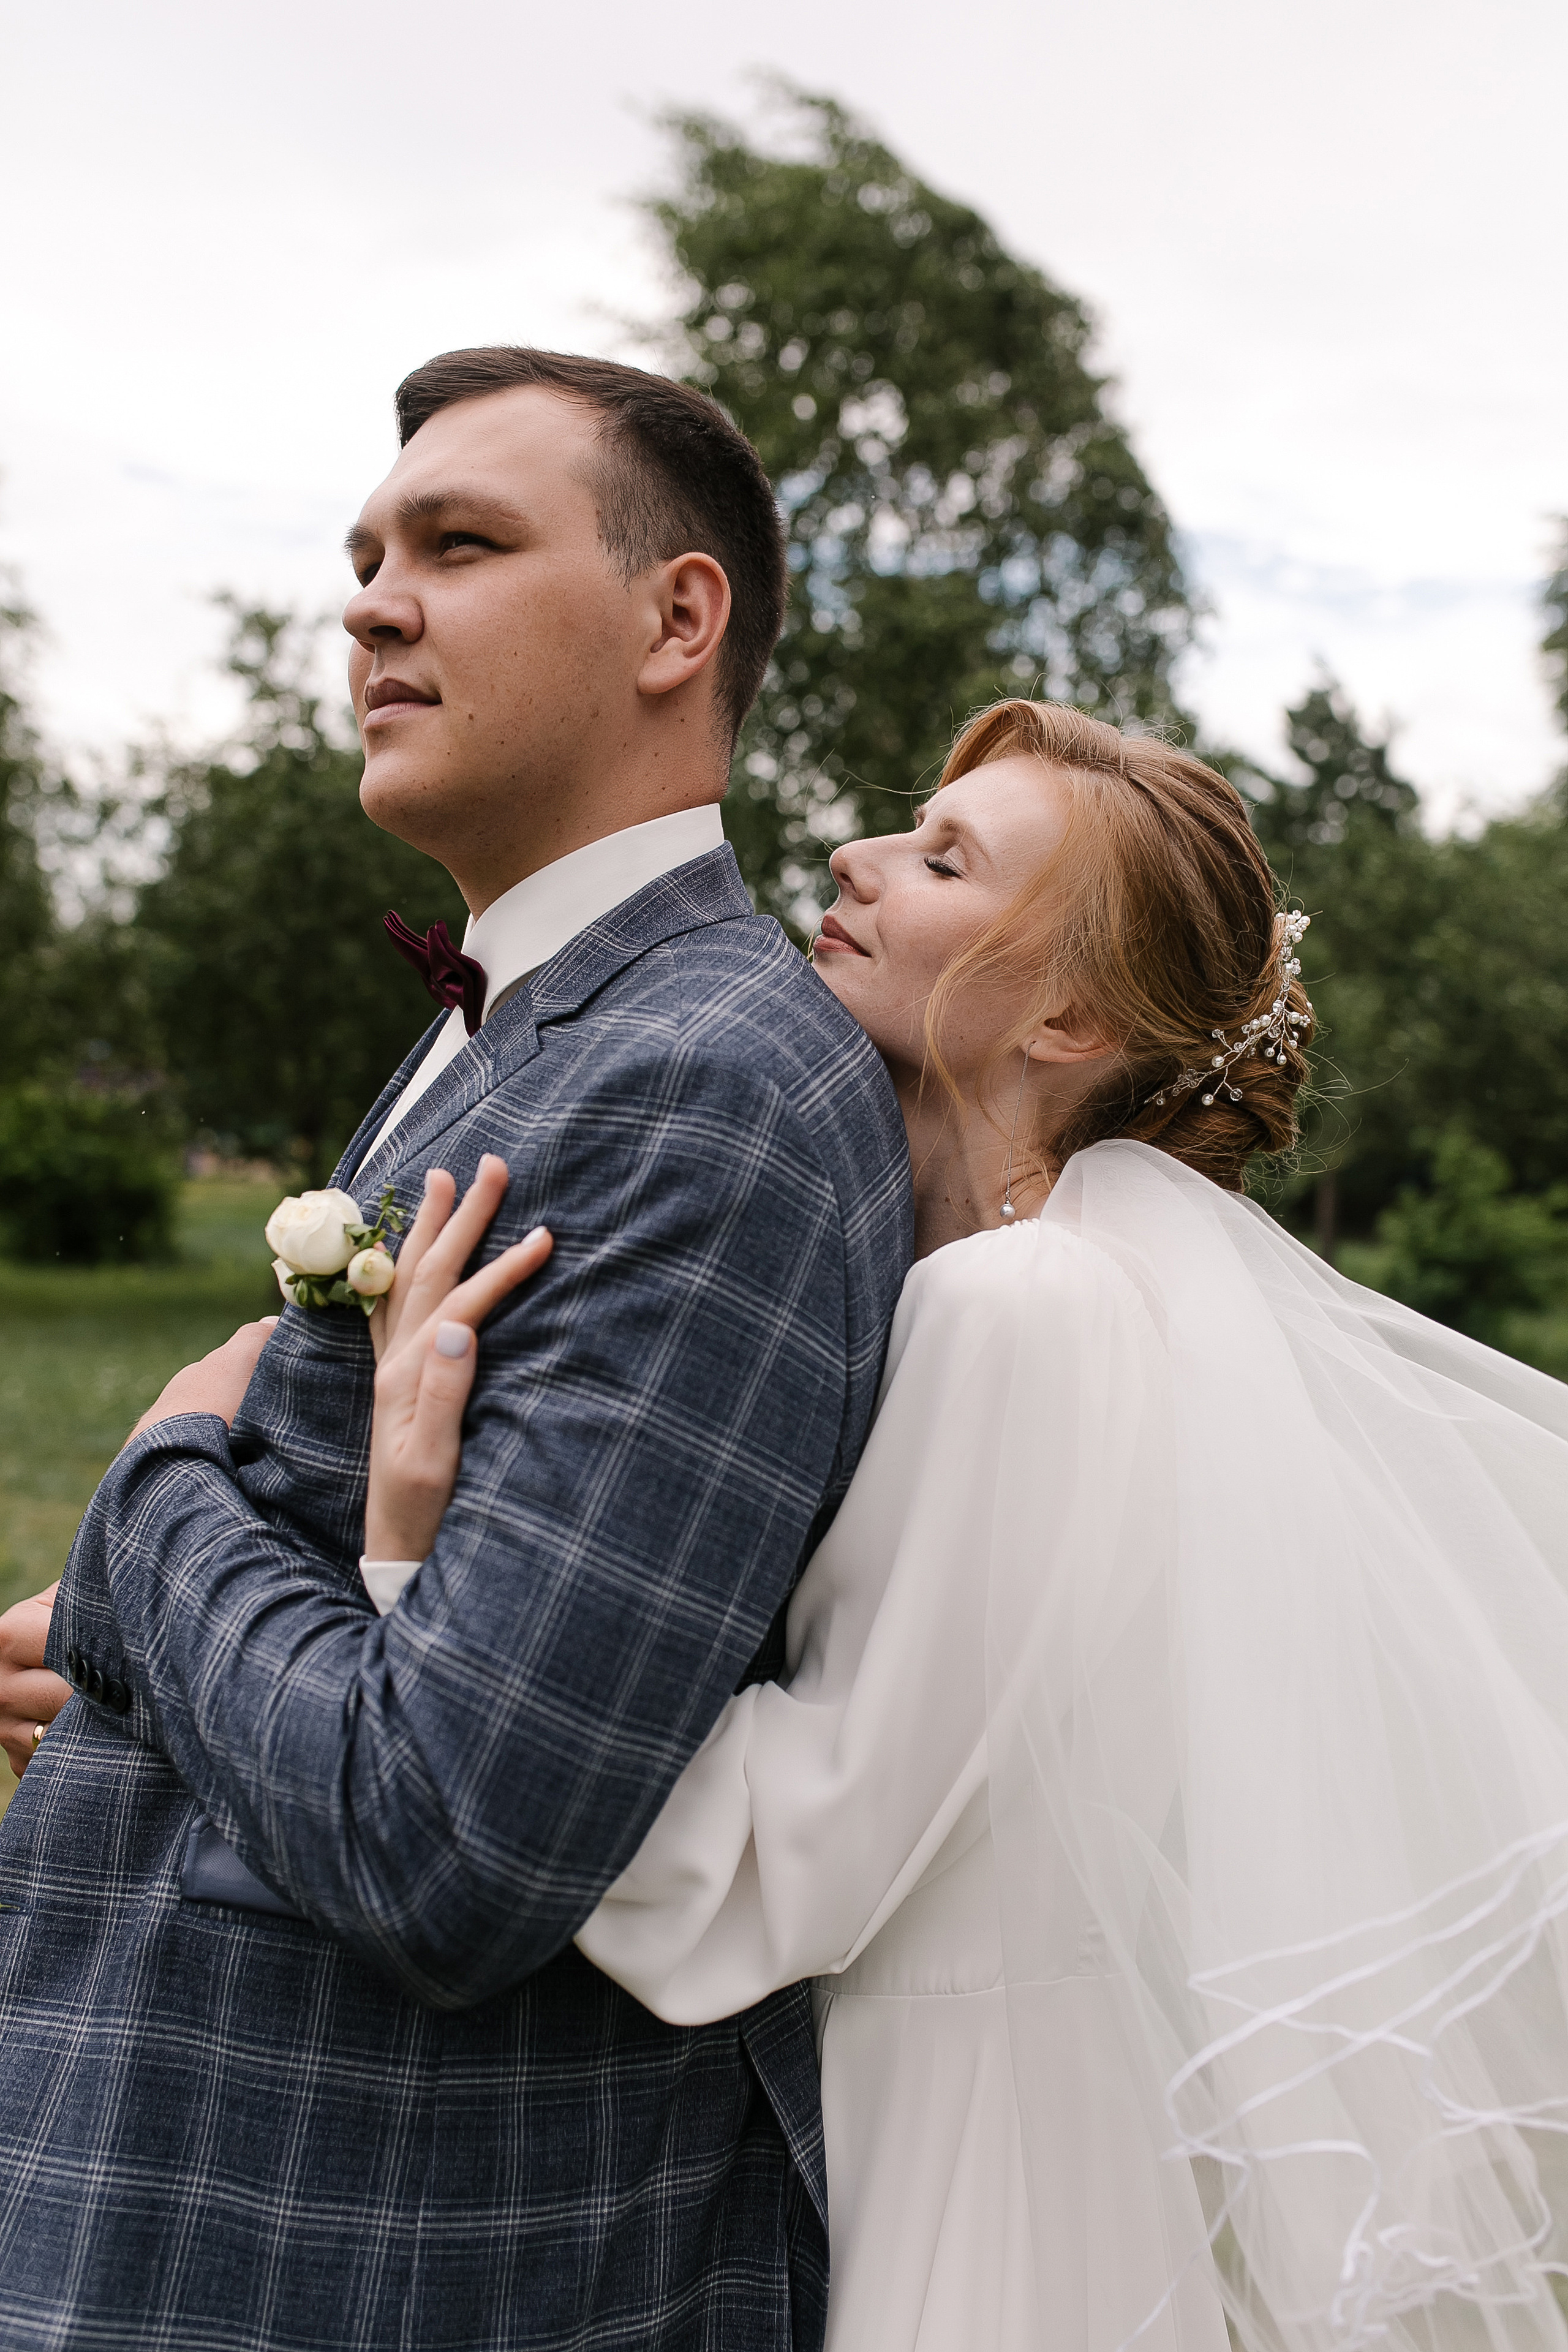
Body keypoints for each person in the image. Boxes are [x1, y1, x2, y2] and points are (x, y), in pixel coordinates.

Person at [359, 698, 1568, 2352]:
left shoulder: (1025, 1314)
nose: (853, 857)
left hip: (978, 2181)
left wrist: (412, 1559)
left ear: (1069, 1018)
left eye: (944, 858)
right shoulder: (1001, 1285)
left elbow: (793, 1862)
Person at [0, 349, 913, 2351]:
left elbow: (451, 1838)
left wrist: (156, 1505)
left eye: (461, 545)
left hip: (383, 2250)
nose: (369, 602)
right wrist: (114, 1658)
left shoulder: (714, 1086)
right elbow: (391, 1577)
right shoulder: (521, 1025)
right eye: (364, 552)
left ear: (681, 620)